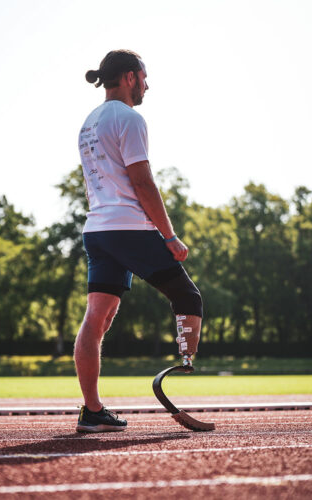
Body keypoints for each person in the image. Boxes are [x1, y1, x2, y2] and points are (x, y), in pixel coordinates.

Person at [75, 50, 203, 433]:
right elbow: (142, 181)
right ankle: (185, 363)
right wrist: (169, 235)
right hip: (129, 226)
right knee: (188, 297)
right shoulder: (130, 118)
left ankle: (92, 411)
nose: (148, 85)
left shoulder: (87, 123)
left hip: (97, 229)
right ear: (130, 77)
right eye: (145, 77)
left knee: (97, 318)